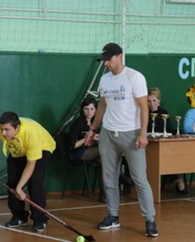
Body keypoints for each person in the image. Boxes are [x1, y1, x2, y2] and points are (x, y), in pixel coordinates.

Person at [85, 43, 158, 237]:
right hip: (108, 134)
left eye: (109, 59)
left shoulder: (135, 77)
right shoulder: (105, 80)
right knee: (109, 177)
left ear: (120, 56)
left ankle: (150, 219)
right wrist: (93, 129)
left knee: (139, 178)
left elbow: (144, 107)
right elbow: (102, 106)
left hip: (131, 134)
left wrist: (143, 133)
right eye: (104, 60)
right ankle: (113, 215)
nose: (106, 63)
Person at [0, 112, 55, 232]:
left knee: (35, 181)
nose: (3, 133)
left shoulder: (30, 134)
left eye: (7, 130)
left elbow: (30, 164)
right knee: (12, 183)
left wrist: (20, 188)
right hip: (18, 151)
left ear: (17, 128)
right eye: (2, 129)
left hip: (43, 147)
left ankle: (40, 219)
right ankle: (19, 216)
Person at [148, 87, 187, 194]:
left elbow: (168, 129)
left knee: (174, 153)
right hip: (150, 146)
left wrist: (178, 132)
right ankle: (176, 180)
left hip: (164, 145)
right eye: (149, 101)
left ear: (159, 101)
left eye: (154, 101)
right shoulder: (144, 113)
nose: (152, 104)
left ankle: (177, 179)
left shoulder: (163, 112)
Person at [68, 98, 104, 201]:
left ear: (96, 110)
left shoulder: (96, 124)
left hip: (91, 152)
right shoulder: (77, 123)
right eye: (86, 109)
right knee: (104, 151)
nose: (89, 112)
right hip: (76, 153)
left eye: (92, 109)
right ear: (82, 110)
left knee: (103, 162)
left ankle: (103, 195)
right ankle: (123, 178)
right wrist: (87, 138)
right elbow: (73, 145)